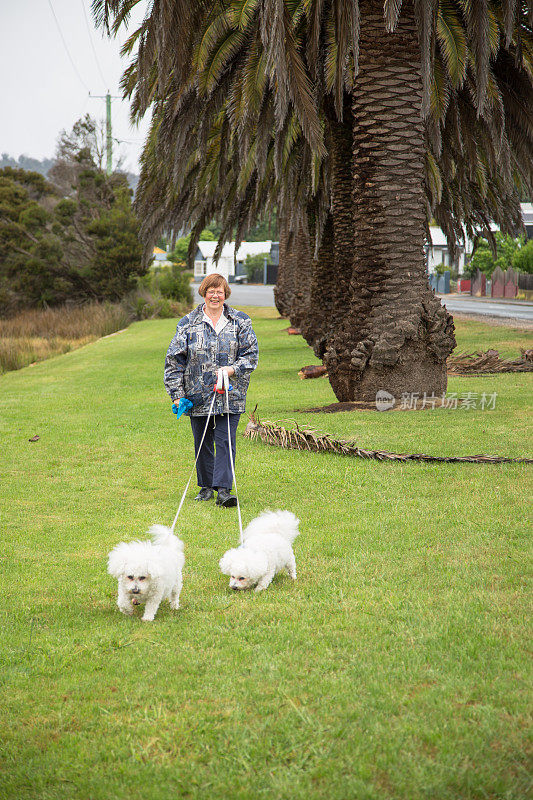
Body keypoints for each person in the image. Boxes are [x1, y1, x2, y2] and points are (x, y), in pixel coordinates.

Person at [164, 273, 259, 507]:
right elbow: (174, 361)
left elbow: (251, 355)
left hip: (230, 394)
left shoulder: (240, 321)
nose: (215, 295)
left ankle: (224, 490)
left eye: (219, 291)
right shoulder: (188, 323)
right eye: (211, 291)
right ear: (203, 293)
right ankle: (206, 487)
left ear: (225, 294)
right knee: (203, 441)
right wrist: (177, 395)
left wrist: (231, 370)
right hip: (197, 396)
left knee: (225, 440)